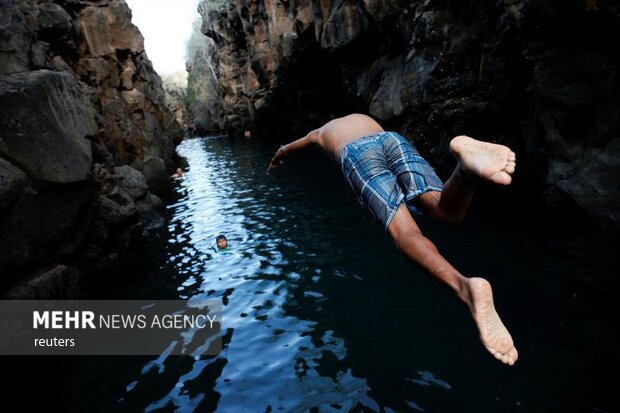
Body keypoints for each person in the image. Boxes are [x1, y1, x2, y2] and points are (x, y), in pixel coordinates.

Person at [267, 113, 518, 366]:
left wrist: (278, 158)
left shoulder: (320, 132)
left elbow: (288, 149)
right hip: (391, 140)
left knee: (405, 232)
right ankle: (464, 171)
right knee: (444, 211)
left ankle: (464, 287)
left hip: (357, 154)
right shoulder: (362, 117)